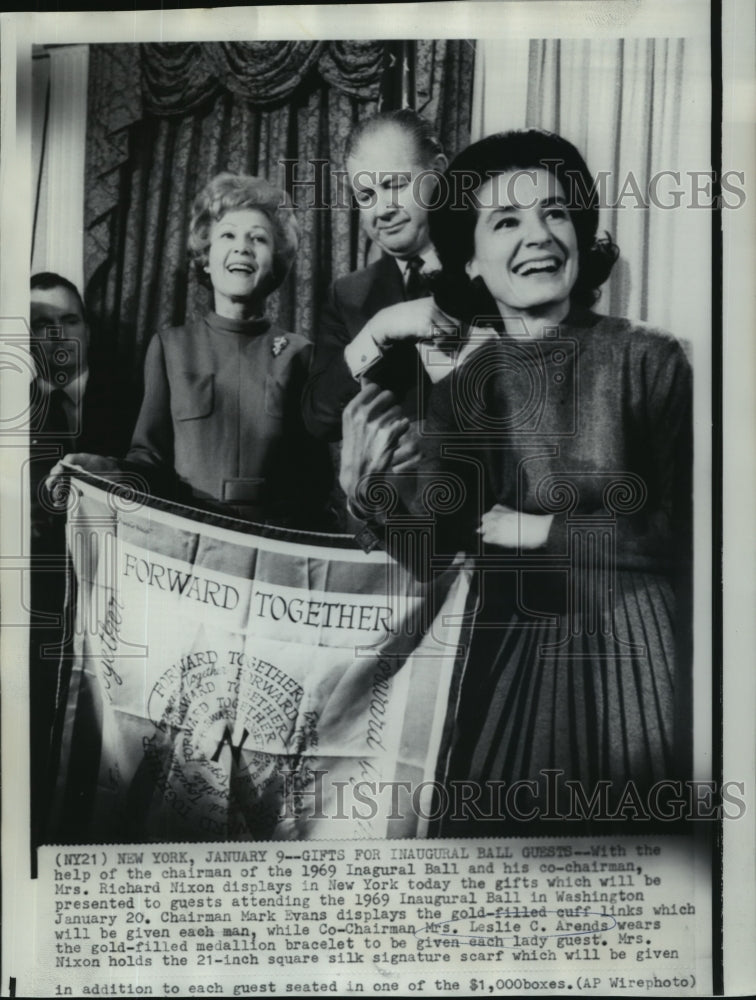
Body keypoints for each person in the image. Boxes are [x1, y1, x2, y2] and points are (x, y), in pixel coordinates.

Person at [340, 129, 693, 832]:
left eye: (555, 212)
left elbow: (693, 532)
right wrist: (368, 494)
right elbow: (430, 552)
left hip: (636, 661)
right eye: (506, 221)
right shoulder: (467, 383)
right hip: (505, 662)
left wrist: (542, 530)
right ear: (469, 260)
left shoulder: (652, 360)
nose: (538, 235)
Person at [51, 173, 332, 530]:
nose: (242, 247)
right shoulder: (170, 347)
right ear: (206, 258)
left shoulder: (301, 354)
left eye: (258, 238)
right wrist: (103, 468)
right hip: (187, 546)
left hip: (274, 549)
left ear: (275, 262)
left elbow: (314, 482)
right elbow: (148, 463)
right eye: (228, 235)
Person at [301, 109, 449, 445]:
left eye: (394, 185)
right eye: (366, 196)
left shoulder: (493, 268)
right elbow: (317, 418)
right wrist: (376, 331)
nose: (381, 210)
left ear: (438, 173)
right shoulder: (348, 295)